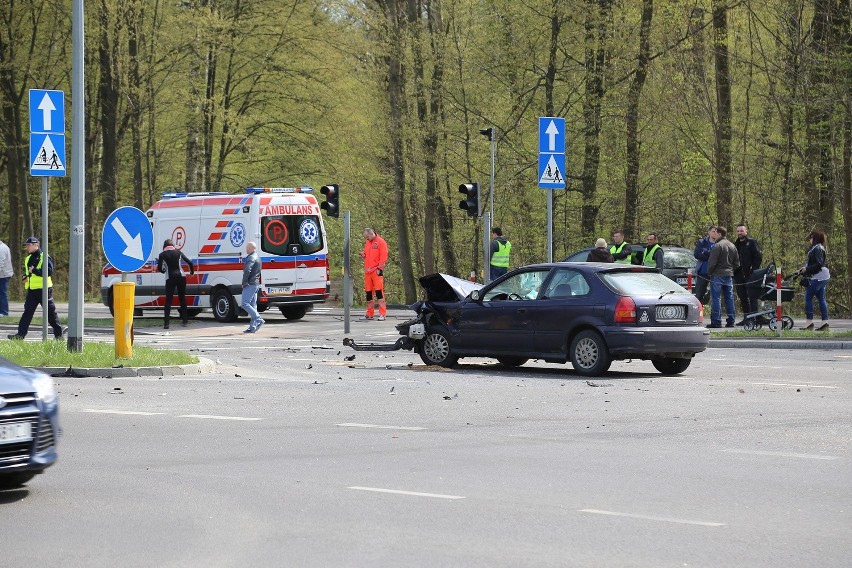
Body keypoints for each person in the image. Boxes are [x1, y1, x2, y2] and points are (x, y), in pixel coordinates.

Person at [7, 237, 65, 340]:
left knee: (50, 314)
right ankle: (20, 335)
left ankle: (59, 334)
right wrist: (25, 277)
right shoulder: (28, 258)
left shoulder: (45, 257)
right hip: (32, 291)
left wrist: (35, 271)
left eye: (29, 245)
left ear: (36, 245)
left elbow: (49, 272)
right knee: (27, 313)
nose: (27, 247)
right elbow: (28, 273)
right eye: (26, 245)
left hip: (44, 290)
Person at [157, 239, 194, 329]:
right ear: (173, 245)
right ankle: (185, 320)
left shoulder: (162, 255)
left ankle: (166, 324)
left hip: (170, 278)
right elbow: (190, 262)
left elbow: (160, 269)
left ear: (164, 246)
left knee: (168, 301)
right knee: (182, 298)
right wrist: (191, 272)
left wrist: (164, 270)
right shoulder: (179, 252)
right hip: (181, 277)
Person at [706, 226, 739, 328]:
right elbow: (737, 263)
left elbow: (712, 263)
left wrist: (709, 272)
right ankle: (731, 320)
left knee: (716, 298)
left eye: (715, 232)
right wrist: (731, 270)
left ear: (719, 234)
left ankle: (716, 321)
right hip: (729, 275)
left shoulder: (717, 246)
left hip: (717, 275)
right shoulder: (732, 246)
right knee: (729, 298)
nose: (714, 234)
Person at [798, 230, 830, 331]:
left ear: (814, 238)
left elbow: (819, 264)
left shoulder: (817, 248)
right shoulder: (818, 248)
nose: (809, 240)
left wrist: (807, 269)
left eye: (811, 238)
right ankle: (824, 323)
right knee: (821, 298)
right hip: (821, 275)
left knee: (808, 297)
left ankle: (809, 322)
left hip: (819, 276)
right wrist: (803, 270)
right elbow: (814, 264)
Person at [733, 223, 762, 320]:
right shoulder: (735, 245)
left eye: (741, 231)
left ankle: (755, 318)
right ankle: (747, 319)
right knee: (743, 297)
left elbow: (758, 257)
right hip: (738, 275)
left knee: (752, 296)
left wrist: (753, 269)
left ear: (746, 231)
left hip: (751, 275)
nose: (740, 233)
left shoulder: (752, 242)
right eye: (738, 231)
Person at [360, 227, 389, 320]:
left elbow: (383, 257)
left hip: (376, 271)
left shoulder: (381, 242)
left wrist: (380, 269)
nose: (366, 239)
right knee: (368, 293)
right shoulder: (368, 242)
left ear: (371, 234)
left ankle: (382, 314)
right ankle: (369, 313)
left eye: (367, 237)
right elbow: (367, 253)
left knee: (379, 292)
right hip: (368, 271)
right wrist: (363, 254)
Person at [241, 241, 264, 333]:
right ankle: (252, 327)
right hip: (256, 284)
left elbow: (247, 270)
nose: (246, 249)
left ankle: (258, 319)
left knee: (244, 303)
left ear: (250, 248)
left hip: (250, 284)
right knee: (253, 306)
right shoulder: (258, 257)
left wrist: (244, 282)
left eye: (247, 248)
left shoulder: (251, 257)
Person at [692, 226, 715, 304]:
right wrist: (710, 256)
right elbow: (697, 254)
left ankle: (714, 314)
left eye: (716, 231)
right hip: (702, 272)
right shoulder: (702, 242)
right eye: (713, 231)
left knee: (714, 295)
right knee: (699, 295)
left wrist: (705, 252)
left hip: (714, 273)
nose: (715, 233)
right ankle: (698, 314)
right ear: (709, 232)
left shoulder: (719, 243)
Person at [0, 238, 13, 316]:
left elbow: (0, 263)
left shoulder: (1, 249)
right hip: (3, 274)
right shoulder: (3, 247)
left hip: (3, 275)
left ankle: (4, 312)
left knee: (2, 293)